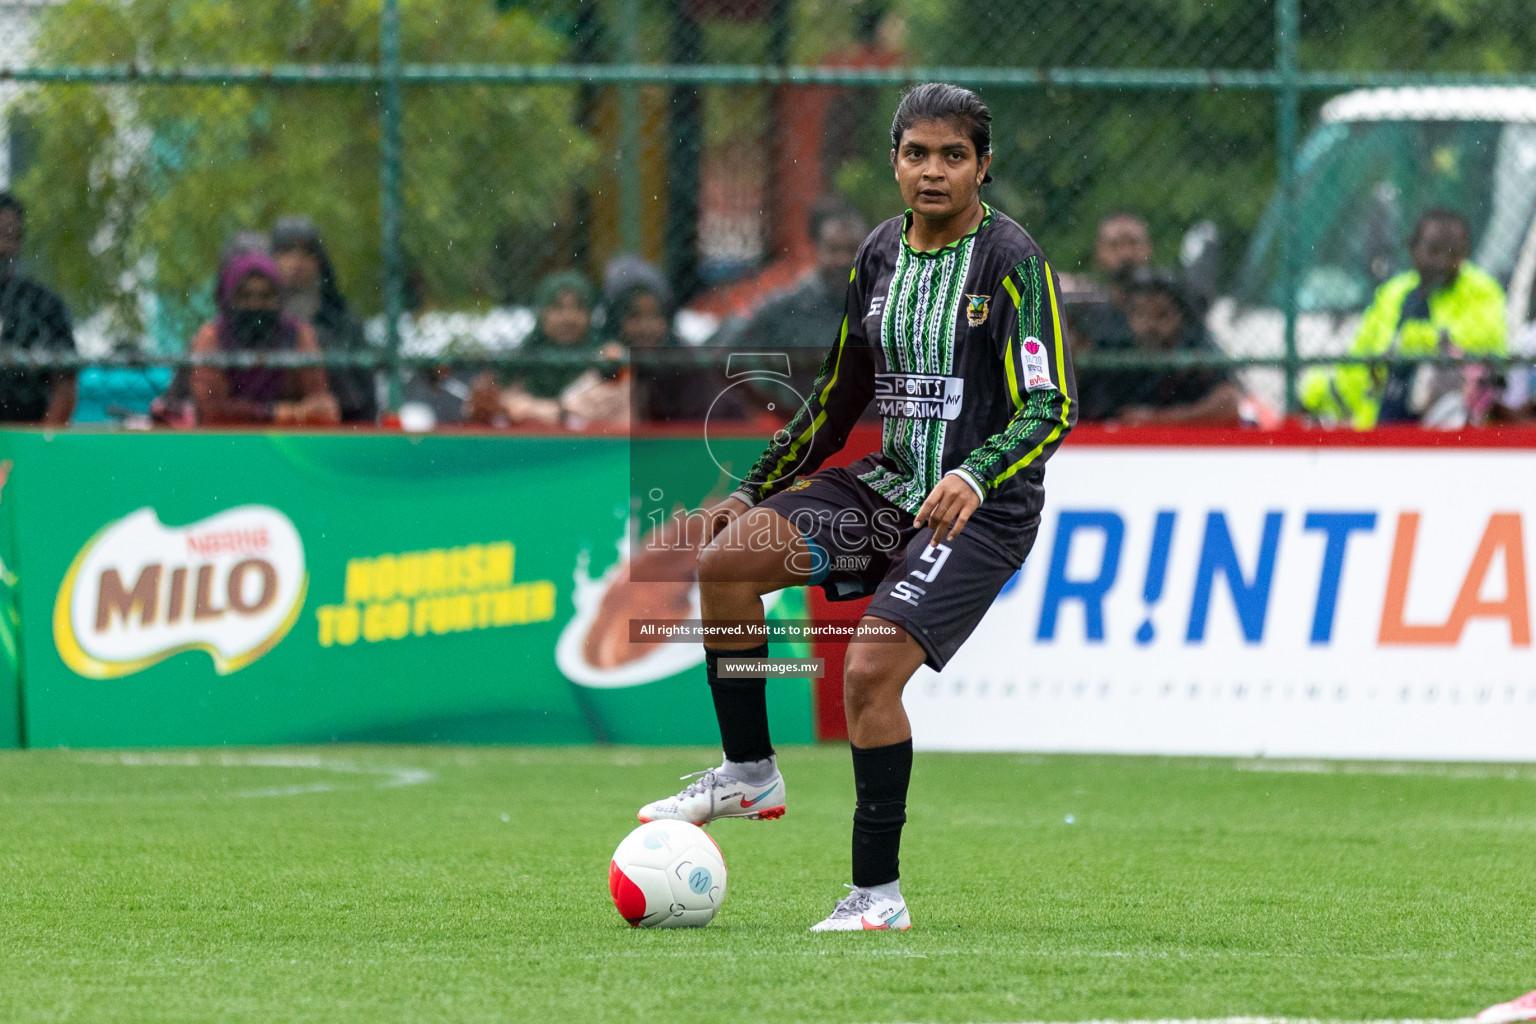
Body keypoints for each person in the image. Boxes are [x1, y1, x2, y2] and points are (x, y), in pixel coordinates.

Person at [636, 83, 1076, 932]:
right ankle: (749, 771)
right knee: (725, 562)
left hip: (977, 512)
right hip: (889, 484)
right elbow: (838, 396)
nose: (933, 171)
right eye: (917, 153)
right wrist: (749, 490)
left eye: (953, 155)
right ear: (894, 161)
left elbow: (1048, 406)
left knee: (868, 677)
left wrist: (976, 474)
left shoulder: (1012, 261)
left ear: (984, 166)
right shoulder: (877, 253)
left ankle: (877, 898)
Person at [1300, 208, 1506, 429]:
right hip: (1384, 420)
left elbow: (1484, 339)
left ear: (1464, 254)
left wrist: (1409, 341)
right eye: (1434, 250)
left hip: (1447, 426)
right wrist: (1314, 394)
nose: (1442, 261)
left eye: (1452, 253)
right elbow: (1358, 362)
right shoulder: (1394, 293)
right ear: (1413, 249)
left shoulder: (1482, 289)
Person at [188, 252, 340, 426]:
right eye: (245, 296)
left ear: (280, 298)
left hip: (287, 442)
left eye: (266, 296)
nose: (255, 305)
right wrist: (274, 413)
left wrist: (286, 414)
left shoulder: (297, 335)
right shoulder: (212, 338)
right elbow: (212, 409)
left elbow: (322, 407)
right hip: (226, 441)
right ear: (229, 298)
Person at [1080, 268, 1241, 425]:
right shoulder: (1111, 349)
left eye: (1162, 315)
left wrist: (1157, 420)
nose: (1150, 326)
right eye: (1141, 314)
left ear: (1181, 318)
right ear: (1129, 317)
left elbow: (1229, 405)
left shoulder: (1195, 349)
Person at [270, 216, 378, 424]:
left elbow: (361, 397)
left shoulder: (341, 320)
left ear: (319, 261)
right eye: (286, 250)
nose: (297, 260)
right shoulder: (257, 316)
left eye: (308, 251)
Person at [0, 192, 77, 425]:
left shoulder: (44, 306)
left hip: (27, 434)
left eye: (9, 235)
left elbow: (65, 386)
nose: (2, 247)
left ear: (20, 241)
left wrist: (41, 445)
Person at [498, 270, 600, 425]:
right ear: (542, 314)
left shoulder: (604, 357)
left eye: (579, 307)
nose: (569, 318)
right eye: (558, 308)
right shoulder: (521, 360)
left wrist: (535, 409)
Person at [1066, 211, 1153, 352]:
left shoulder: (1173, 306)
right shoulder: (1083, 311)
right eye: (1114, 245)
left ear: (1148, 248)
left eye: (1134, 243)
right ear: (1099, 251)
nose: (1126, 254)